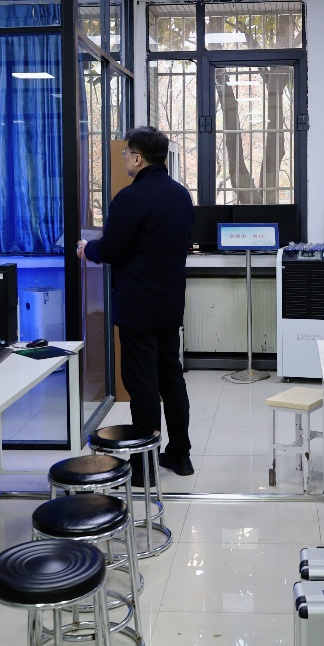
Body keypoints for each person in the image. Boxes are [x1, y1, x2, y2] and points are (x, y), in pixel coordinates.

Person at [78, 127, 196, 480]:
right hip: (169, 305)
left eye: (126, 153)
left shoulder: (130, 198)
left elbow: (111, 248)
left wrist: (87, 249)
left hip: (138, 308)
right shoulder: (181, 195)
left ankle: (145, 465)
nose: (125, 158)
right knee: (171, 379)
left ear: (138, 157)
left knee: (142, 386)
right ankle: (180, 455)